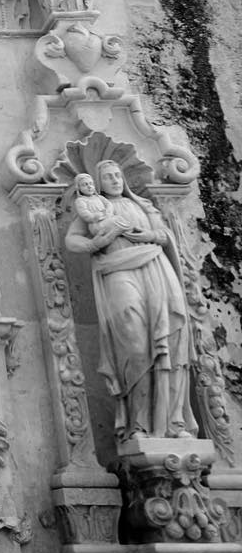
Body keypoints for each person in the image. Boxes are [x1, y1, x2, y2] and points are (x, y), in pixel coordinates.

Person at [64, 160, 197, 441]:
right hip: (118, 270)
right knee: (135, 343)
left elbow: (164, 235)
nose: (114, 180)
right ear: (97, 184)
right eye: (107, 177)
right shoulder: (97, 208)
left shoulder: (141, 205)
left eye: (117, 175)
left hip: (155, 266)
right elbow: (72, 240)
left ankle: (174, 423)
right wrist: (94, 244)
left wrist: (148, 235)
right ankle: (139, 424)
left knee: (171, 340)